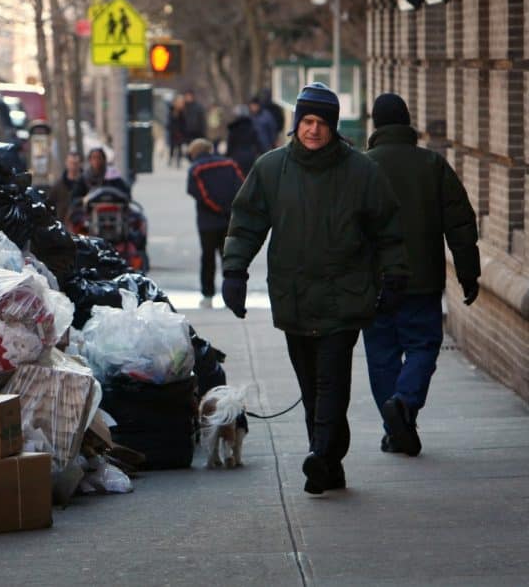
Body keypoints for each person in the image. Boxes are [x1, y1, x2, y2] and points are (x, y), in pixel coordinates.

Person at [220, 82, 409, 495]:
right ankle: (329, 460)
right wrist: (234, 272)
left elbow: (389, 230)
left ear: (334, 127)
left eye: (322, 123)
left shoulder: (362, 172)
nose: (313, 130)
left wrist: (394, 275)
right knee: (311, 386)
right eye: (306, 121)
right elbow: (246, 222)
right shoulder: (271, 169)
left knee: (331, 382)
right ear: (295, 124)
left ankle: (320, 455)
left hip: (345, 295)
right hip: (294, 295)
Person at [362, 93, 481, 457]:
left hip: (375, 283)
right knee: (423, 347)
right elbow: (460, 224)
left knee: (381, 356)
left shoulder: (361, 168)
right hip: (422, 281)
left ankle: (396, 426)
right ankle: (405, 404)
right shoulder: (432, 165)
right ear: (407, 122)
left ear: (376, 125)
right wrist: (469, 274)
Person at [186, 138, 244, 309]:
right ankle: (232, 295)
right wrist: (231, 208)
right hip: (230, 220)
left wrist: (216, 208)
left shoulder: (196, 169)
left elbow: (198, 193)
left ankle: (208, 295)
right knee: (230, 259)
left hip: (207, 223)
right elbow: (243, 186)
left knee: (208, 259)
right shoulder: (230, 164)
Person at [47, 150, 83, 222]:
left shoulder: (86, 183)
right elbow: (49, 204)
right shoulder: (58, 185)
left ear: (80, 164)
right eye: (71, 163)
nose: (73, 166)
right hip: (63, 225)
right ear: (66, 163)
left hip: (82, 225)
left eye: (76, 163)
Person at [166, 95, 188, 167]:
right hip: (173, 132)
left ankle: (178, 161)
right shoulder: (171, 110)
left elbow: (184, 122)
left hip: (180, 132)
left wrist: (183, 130)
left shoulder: (182, 111)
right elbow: (169, 122)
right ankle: (171, 159)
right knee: (172, 147)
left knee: (179, 147)